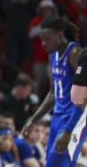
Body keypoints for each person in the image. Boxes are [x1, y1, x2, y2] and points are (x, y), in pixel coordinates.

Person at [22, 17, 86, 167]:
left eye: (47, 38)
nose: (43, 44)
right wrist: (34, 119)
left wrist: (69, 129)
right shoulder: (53, 55)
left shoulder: (75, 53)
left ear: (59, 34)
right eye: (41, 39)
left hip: (75, 117)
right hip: (58, 116)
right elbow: (53, 93)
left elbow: (84, 93)